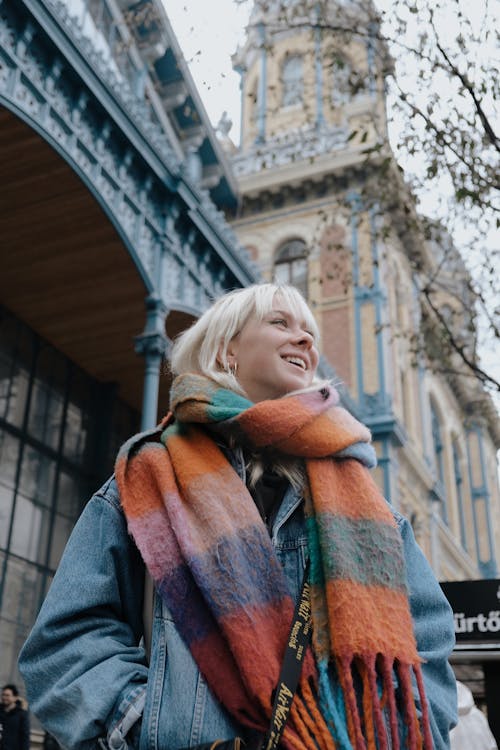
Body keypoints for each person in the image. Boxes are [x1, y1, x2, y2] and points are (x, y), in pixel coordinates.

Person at [19, 283, 458, 750]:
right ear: (227, 351)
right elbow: (66, 643)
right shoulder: (148, 480)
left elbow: (426, 653)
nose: (306, 340)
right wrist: (146, 725)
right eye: (280, 323)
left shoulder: (366, 504)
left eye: (309, 331)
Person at [0, 684, 30, 750]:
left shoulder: (21, 714)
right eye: (3, 695)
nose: (4, 697)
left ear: (15, 697)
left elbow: (25, 736)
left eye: (7, 695)